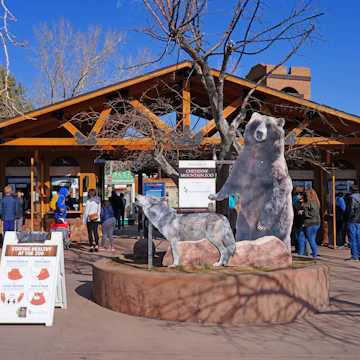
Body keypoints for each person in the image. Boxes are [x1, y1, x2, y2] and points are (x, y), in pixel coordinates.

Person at [298, 188, 320, 258]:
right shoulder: (307, 202)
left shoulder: (313, 202)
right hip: (305, 223)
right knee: (301, 239)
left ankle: (315, 256)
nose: (304, 195)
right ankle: (300, 255)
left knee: (311, 240)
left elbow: (313, 213)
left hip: (311, 224)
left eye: (306, 193)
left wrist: (303, 212)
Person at [344, 184, 360, 261]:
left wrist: (347, 219)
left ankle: (354, 256)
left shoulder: (352, 199)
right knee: (358, 238)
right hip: (358, 221)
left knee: (352, 239)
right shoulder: (359, 197)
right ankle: (358, 254)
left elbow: (349, 211)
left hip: (352, 221)